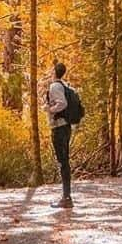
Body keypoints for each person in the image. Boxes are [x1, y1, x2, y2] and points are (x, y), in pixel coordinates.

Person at [45, 60, 73, 208]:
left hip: (59, 128)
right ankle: (66, 196)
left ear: (54, 72)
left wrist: (50, 109)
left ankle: (66, 198)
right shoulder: (64, 85)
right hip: (65, 127)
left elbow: (62, 103)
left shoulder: (55, 86)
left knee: (63, 162)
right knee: (64, 161)